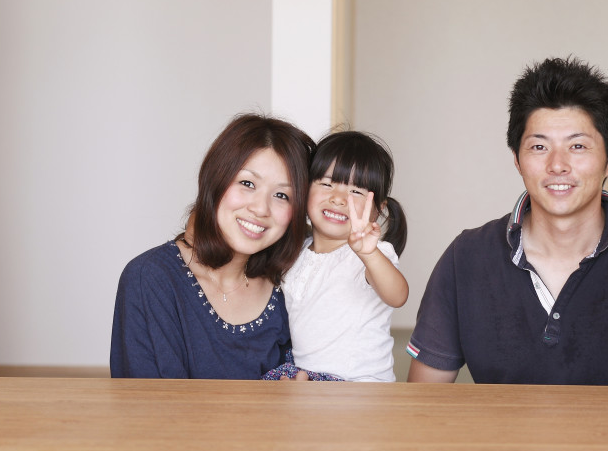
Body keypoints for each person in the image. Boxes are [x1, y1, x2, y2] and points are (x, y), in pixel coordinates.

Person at [406, 57, 608, 388]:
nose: (557, 165)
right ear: (517, 160)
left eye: (577, 146)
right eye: (539, 146)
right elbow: (424, 397)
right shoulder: (467, 256)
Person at [110, 113, 315, 379]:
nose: (261, 209)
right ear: (215, 179)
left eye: (282, 195)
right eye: (247, 183)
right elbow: (151, 401)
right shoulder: (150, 277)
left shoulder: (291, 286)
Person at [263, 131, 409, 382]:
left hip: (361, 386)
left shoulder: (372, 253)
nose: (338, 199)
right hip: (309, 379)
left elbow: (397, 296)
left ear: (378, 210)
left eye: (356, 191)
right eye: (327, 184)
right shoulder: (296, 251)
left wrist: (368, 254)